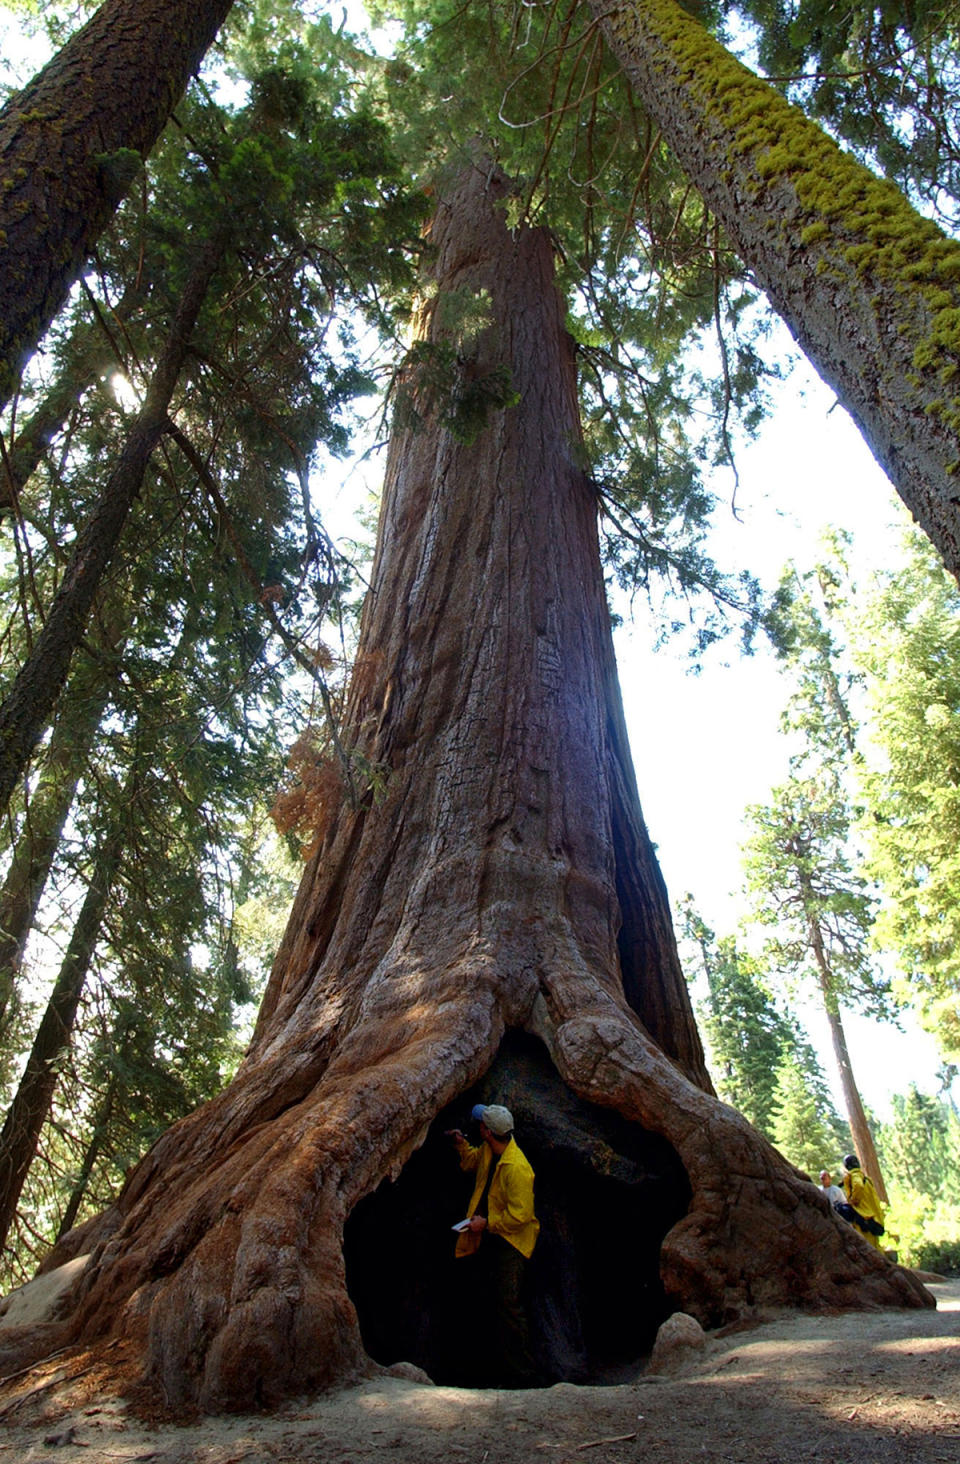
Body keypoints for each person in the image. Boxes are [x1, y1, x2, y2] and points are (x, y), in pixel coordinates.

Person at [446, 1102, 540, 1386]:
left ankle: (524, 1376)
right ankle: (491, 1368)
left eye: (480, 1125)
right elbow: (472, 1162)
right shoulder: (490, 1150)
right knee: (490, 1298)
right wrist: (461, 1145)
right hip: (490, 1235)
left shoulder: (518, 1168)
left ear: (487, 1131)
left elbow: (521, 1217)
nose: (478, 1127)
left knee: (509, 1305)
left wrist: (487, 1223)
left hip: (511, 1243)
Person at [842, 1154, 886, 1249]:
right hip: (872, 1218)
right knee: (875, 1246)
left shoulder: (855, 1176)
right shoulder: (865, 1178)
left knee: (868, 1247)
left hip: (865, 1218)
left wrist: (853, 1200)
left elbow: (858, 1185)